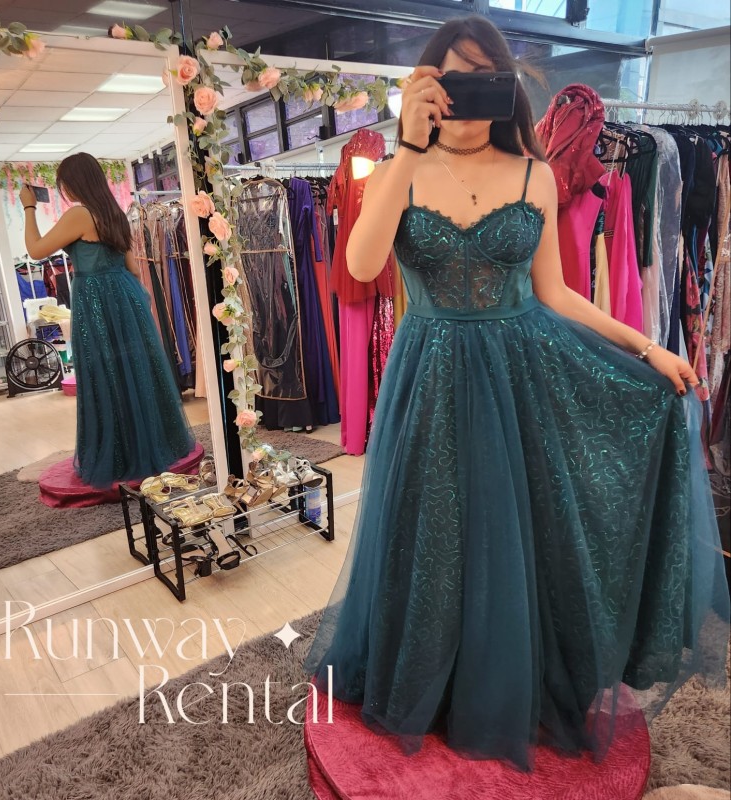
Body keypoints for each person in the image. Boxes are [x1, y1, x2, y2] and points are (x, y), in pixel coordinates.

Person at [303, 16, 729, 772]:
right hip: (429, 375)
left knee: (514, 531)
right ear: (426, 87)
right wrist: (407, 147)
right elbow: (362, 267)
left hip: (518, 375)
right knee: (433, 531)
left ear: (504, 88)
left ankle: (507, 677)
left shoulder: (533, 174)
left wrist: (648, 347)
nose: (465, 98)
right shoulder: (399, 169)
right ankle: (431, 679)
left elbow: (556, 294)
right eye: (450, 81)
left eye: (481, 80)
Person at [20, 152, 194, 488]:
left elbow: (37, 250)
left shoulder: (80, 214)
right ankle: (151, 444)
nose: (64, 191)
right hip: (126, 297)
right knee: (135, 374)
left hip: (97, 301)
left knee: (106, 375)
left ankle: (118, 454)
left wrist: (29, 207)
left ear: (74, 183)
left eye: (64, 184)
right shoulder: (114, 213)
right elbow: (132, 268)